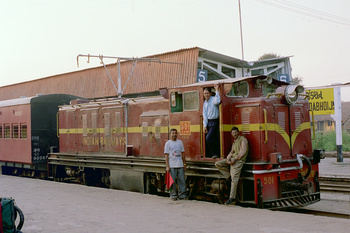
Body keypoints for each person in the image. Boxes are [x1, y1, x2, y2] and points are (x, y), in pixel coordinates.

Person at [215, 126, 249, 205]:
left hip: (239, 161)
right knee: (218, 164)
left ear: (238, 132)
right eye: (233, 133)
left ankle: (232, 198)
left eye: (236, 132)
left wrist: (236, 159)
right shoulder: (234, 142)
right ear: (231, 134)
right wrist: (228, 157)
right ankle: (228, 175)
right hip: (233, 159)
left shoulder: (243, 139)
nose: (235, 134)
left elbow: (243, 150)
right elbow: (232, 151)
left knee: (234, 179)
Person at [164, 128, 187, 201]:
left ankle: (182, 195)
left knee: (182, 181)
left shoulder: (180, 142)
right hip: (172, 165)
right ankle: (173, 195)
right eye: (173, 133)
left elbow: (183, 154)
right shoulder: (168, 143)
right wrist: (167, 166)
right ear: (170, 134)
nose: (174, 134)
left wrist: (184, 163)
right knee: (172, 181)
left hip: (180, 164)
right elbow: (166, 155)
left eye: (175, 133)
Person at [203, 84, 221, 158]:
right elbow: (205, 115)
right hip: (209, 122)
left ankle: (215, 153)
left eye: (207, 93)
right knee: (212, 138)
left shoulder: (213, 99)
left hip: (215, 121)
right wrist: (205, 126)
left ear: (210, 93)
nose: (206, 95)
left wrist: (217, 91)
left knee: (209, 138)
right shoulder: (205, 103)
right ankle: (214, 153)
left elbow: (217, 101)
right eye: (205, 93)